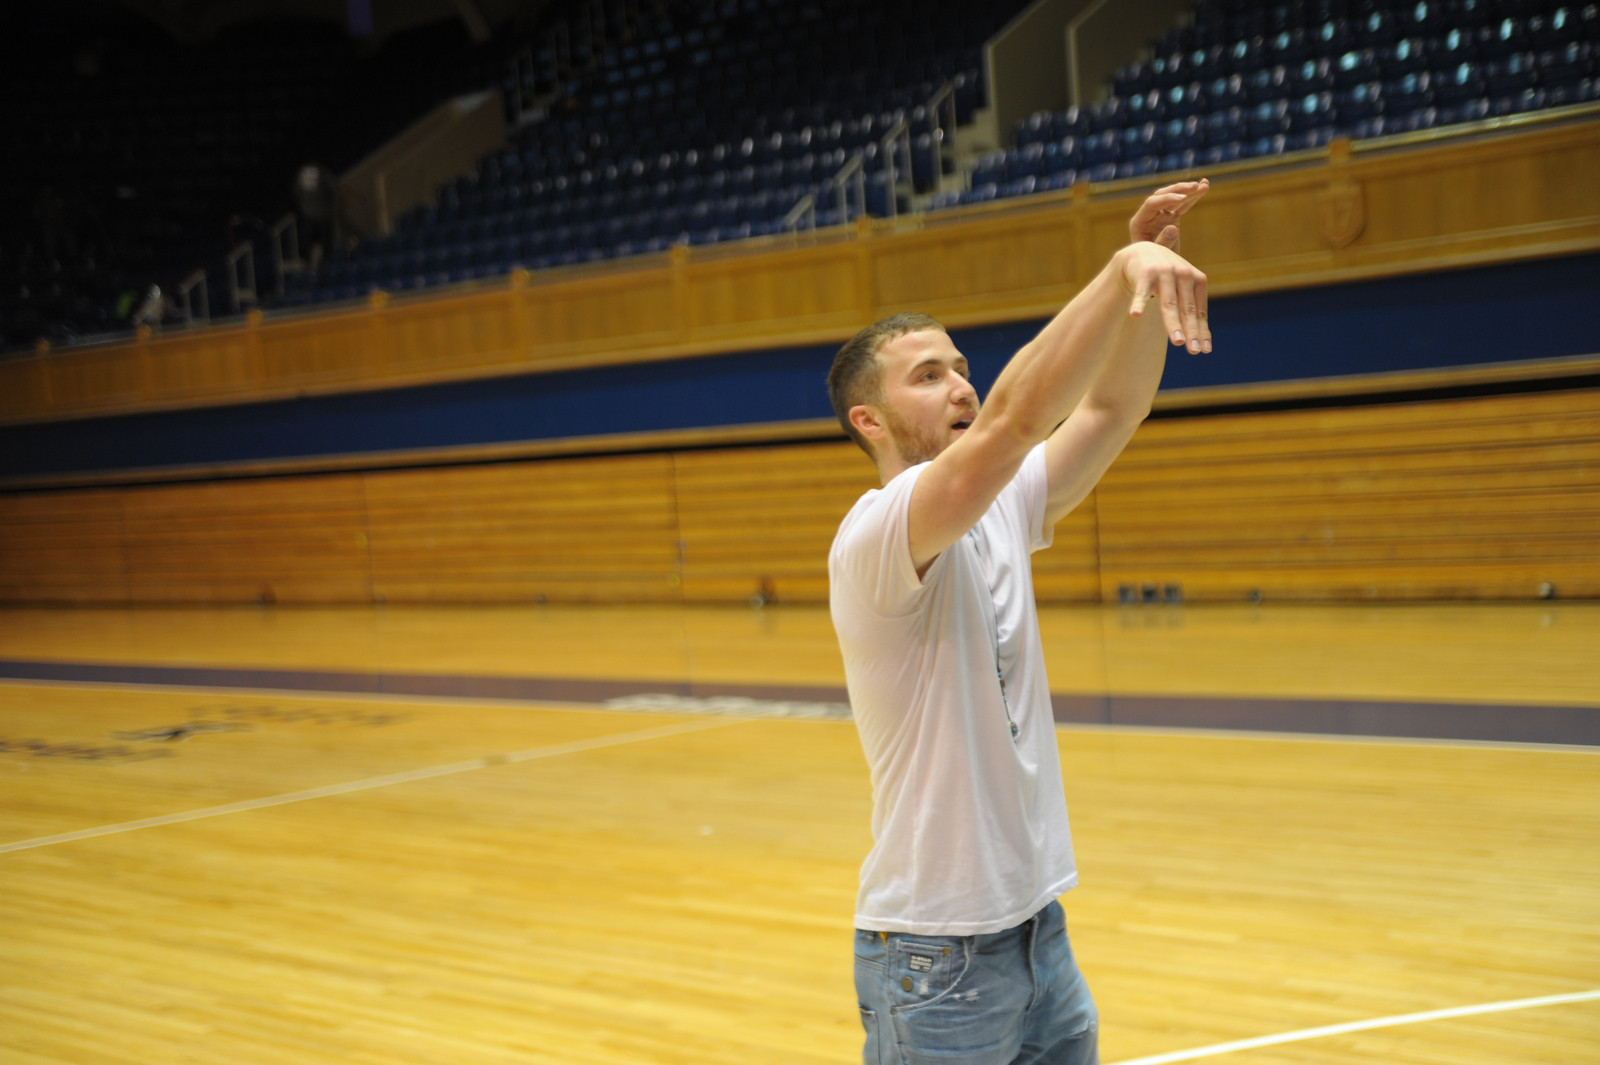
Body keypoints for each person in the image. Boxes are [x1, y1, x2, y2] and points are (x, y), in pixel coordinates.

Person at [826, 180, 1211, 1065]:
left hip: (1038, 927)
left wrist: (1145, 296)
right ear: (868, 420)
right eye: (929, 376)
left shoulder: (996, 507)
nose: (960, 385)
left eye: (960, 366)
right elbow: (1019, 415)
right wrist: (1120, 271)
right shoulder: (879, 531)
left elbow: (1113, 408)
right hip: (933, 953)